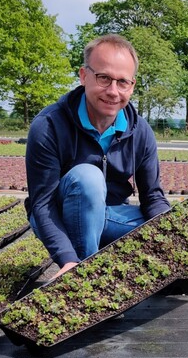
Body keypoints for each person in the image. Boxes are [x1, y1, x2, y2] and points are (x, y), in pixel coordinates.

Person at [24, 34, 171, 277]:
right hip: (58, 216)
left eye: (122, 82)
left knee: (172, 223)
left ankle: (102, 251)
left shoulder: (140, 131)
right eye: (104, 78)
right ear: (84, 76)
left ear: (132, 86)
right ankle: (85, 273)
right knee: (88, 177)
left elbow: (152, 196)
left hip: (108, 215)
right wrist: (67, 259)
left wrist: (173, 231)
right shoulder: (49, 125)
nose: (113, 91)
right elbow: (42, 203)